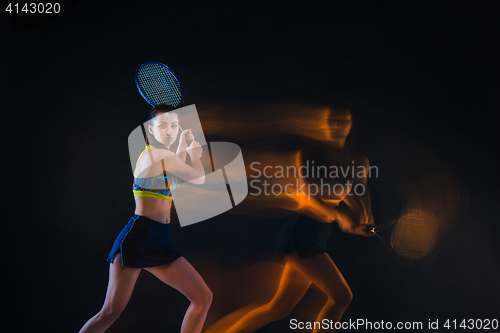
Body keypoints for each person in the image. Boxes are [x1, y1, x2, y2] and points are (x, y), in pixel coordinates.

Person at [206, 106, 374, 333]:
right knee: (341, 297)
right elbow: (309, 196)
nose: (335, 126)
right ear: (324, 123)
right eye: (331, 120)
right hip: (301, 236)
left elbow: (359, 194)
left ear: (350, 124)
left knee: (277, 309)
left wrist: (365, 220)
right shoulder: (309, 153)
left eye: (341, 121)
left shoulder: (357, 160)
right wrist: (341, 215)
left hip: (318, 236)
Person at [79, 104, 212, 333]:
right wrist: (195, 155)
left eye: (173, 126)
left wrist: (181, 147)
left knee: (202, 297)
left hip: (158, 242)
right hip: (138, 239)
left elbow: (173, 189)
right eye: (162, 126)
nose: (169, 131)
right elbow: (198, 178)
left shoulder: (164, 157)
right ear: (151, 131)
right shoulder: (157, 154)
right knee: (110, 313)